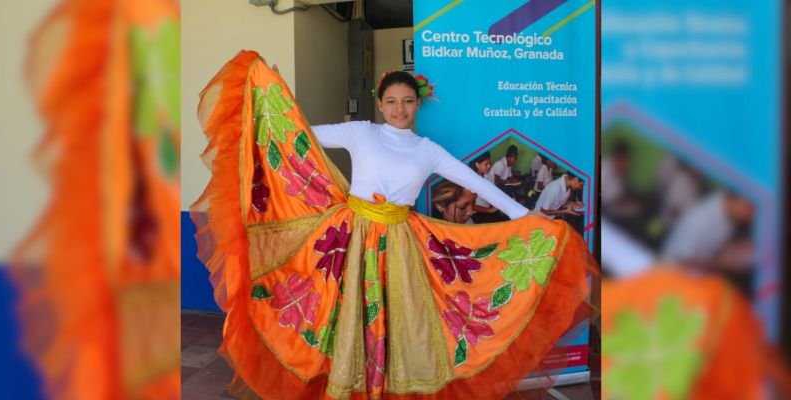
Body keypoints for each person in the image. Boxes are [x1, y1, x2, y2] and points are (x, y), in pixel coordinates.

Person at [192, 51, 594, 400]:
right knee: (343, 312)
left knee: (399, 315)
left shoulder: (428, 150)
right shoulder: (361, 132)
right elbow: (299, 136)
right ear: (380, 105)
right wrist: (267, 102)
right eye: (391, 101)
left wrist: (526, 216)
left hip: (402, 241)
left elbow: (474, 181)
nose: (399, 109)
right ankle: (348, 381)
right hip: (349, 235)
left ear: (418, 104)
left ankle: (387, 384)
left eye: (407, 101)